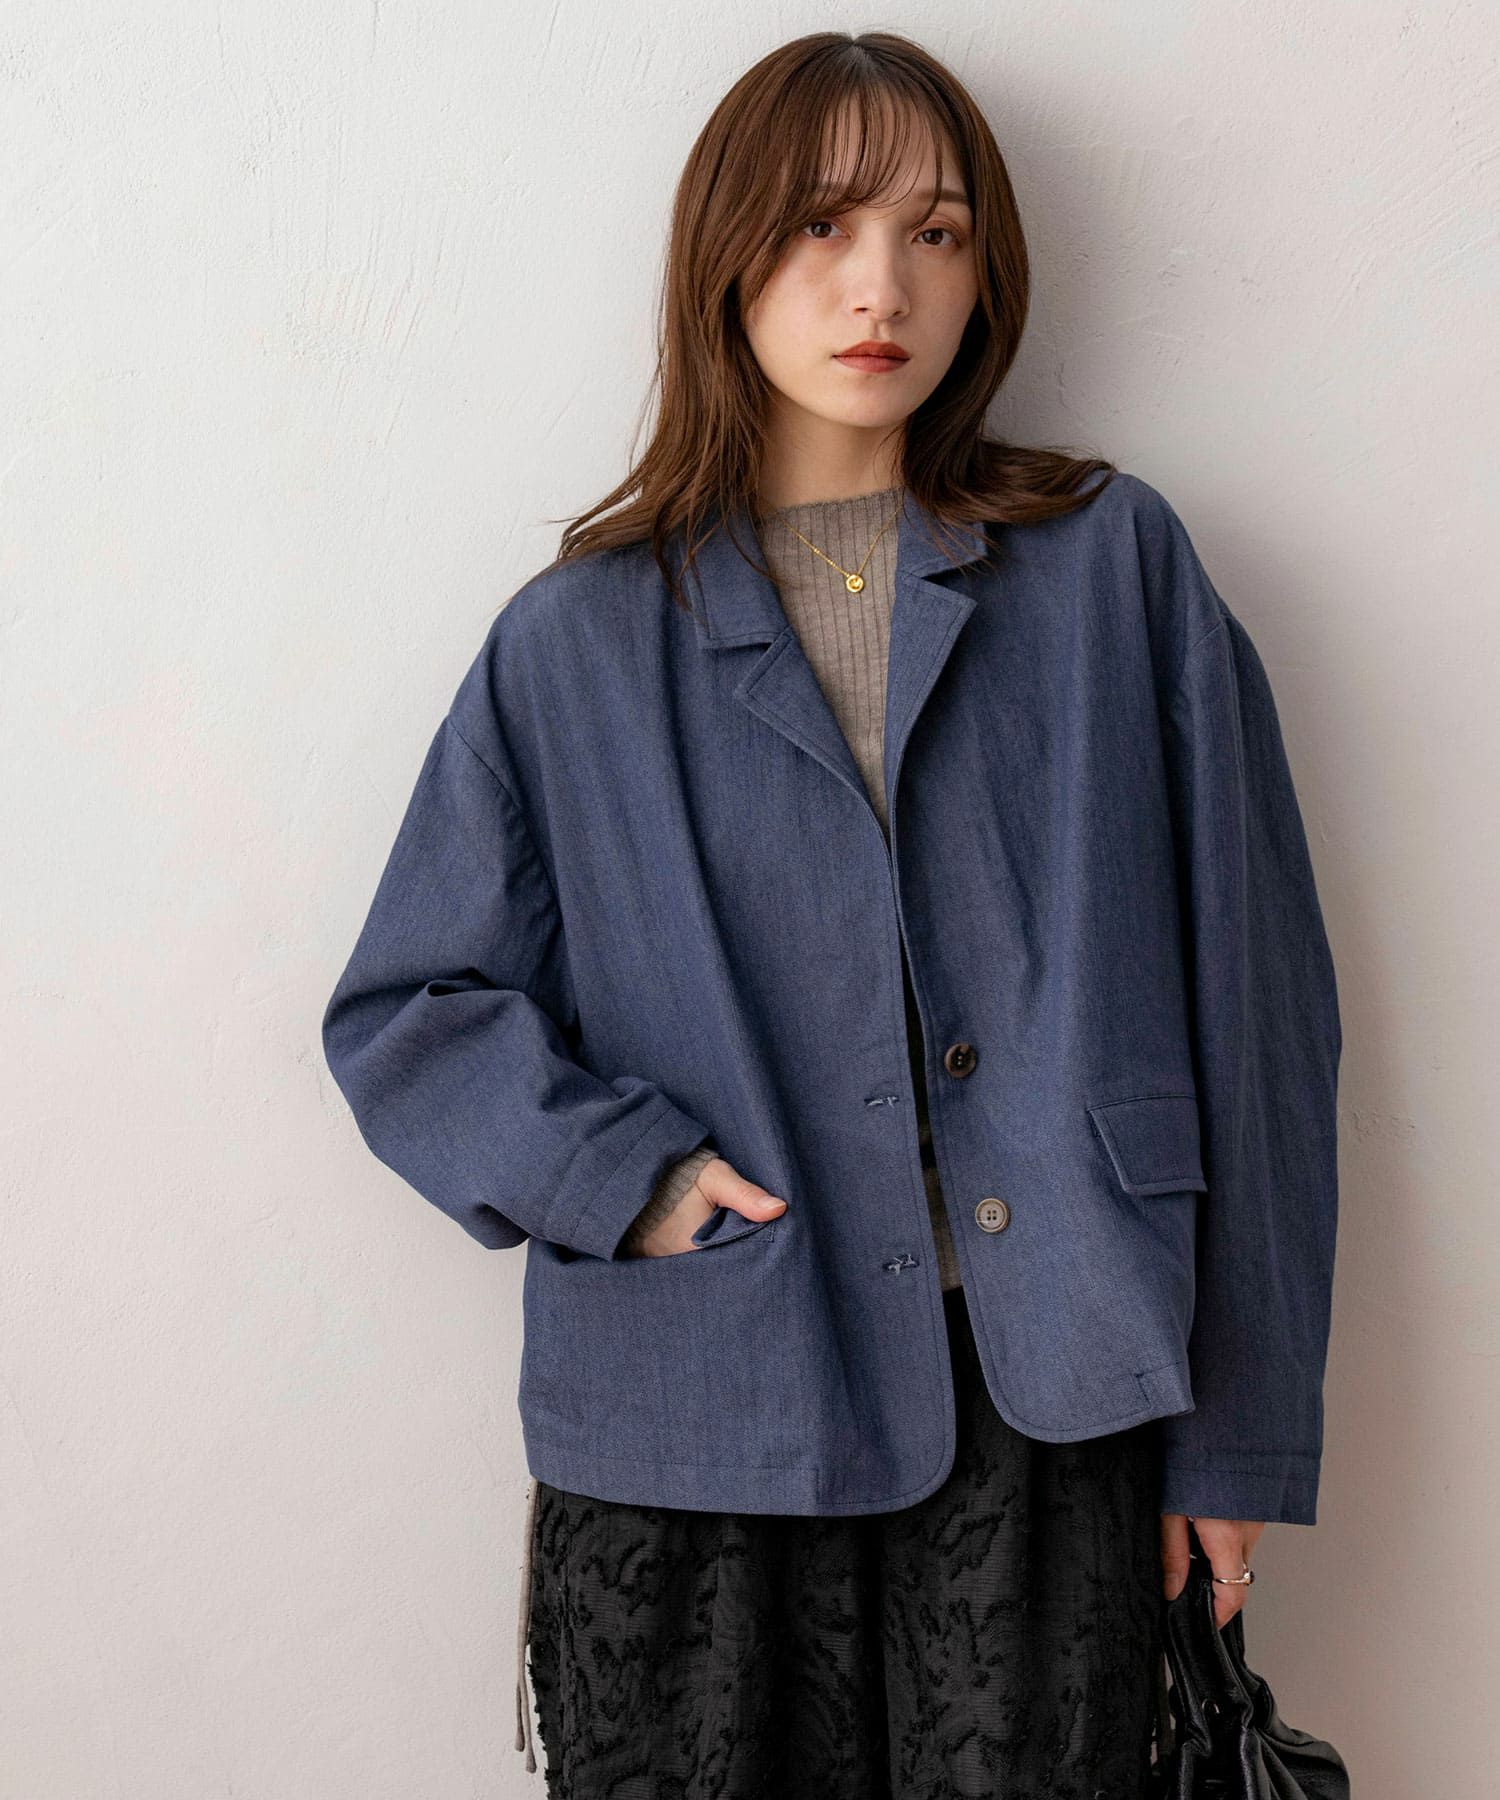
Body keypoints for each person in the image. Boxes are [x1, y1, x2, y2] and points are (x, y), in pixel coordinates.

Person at [320, 29, 1341, 1800]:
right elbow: (409, 1011)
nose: (882, 287)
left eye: (936, 233)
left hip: (1053, 1397)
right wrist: (625, 1180)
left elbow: (1260, 1020)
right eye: (820, 226)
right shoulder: (579, 642)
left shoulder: (1116, 572)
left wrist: (1236, 1434)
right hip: (702, 1416)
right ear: (725, 257)